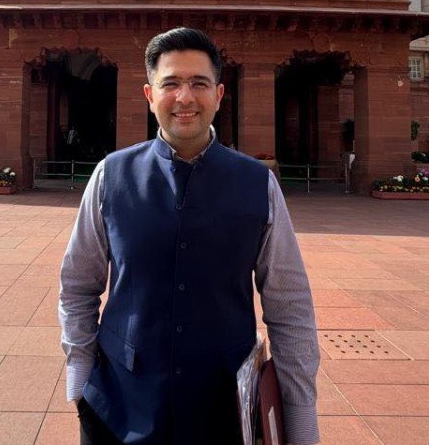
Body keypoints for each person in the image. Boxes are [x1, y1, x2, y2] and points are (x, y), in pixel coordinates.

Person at [59, 27, 320, 445]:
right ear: (149, 95)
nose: (185, 98)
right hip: (118, 406)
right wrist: (79, 377)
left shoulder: (257, 184)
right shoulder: (112, 175)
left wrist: (301, 420)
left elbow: (289, 305)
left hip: (223, 411)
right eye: (171, 84)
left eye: (199, 83)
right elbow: (77, 283)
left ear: (219, 95)